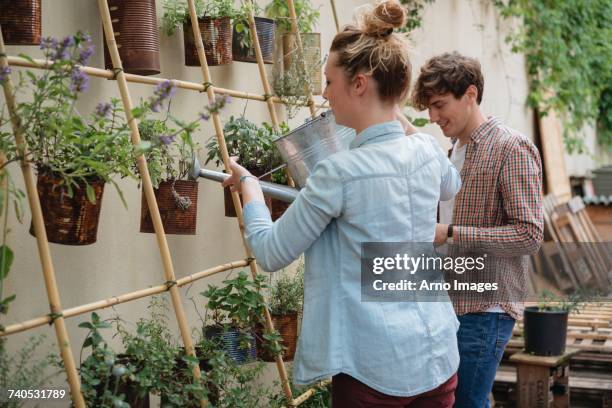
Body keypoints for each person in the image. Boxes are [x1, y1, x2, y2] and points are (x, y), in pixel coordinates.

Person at [223, 1, 461, 406]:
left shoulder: (339, 173)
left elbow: (270, 251)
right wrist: (394, 115)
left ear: (360, 84)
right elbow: (450, 185)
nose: (323, 92)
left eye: (329, 81)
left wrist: (249, 189)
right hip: (436, 356)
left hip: (373, 370)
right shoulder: (424, 149)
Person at [412, 52, 544, 407]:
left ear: (470, 95)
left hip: (485, 307)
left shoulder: (510, 147)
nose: (433, 117)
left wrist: (451, 233)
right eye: (429, 107)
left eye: (440, 105)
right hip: (449, 303)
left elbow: (529, 234)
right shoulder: (454, 150)